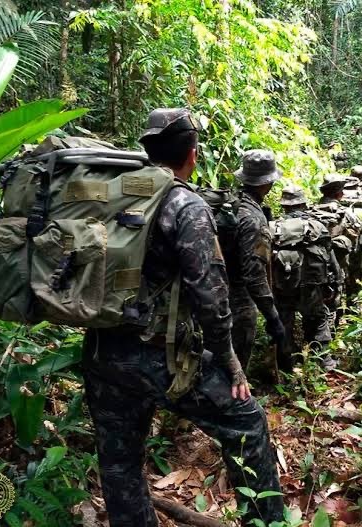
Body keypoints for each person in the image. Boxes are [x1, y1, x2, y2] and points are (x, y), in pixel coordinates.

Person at [82, 110, 283, 527]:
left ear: (147, 150)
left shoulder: (113, 193)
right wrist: (229, 360)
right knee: (247, 423)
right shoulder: (184, 204)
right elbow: (210, 295)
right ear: (192, 154)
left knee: (120, 462)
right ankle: (267, 522)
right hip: (159, 354)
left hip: (102, 350)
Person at [226, 150, 286, 371]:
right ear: (267, 183)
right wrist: (272, 317)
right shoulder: (252, 217)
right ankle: (232, 402)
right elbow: (254, 275)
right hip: (238, 299)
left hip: (214, 291)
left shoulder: (233, 202)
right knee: (234, 366)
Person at [273, 184, 338, 371]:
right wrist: (335, 280)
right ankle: (323, 361)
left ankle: (286, 363)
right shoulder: (317, 226)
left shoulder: (274, 228)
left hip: (284, 283)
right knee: (317, 318)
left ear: (284, 206)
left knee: (284, 320)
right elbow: (329, 254)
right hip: (312, 283)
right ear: (303, 204)